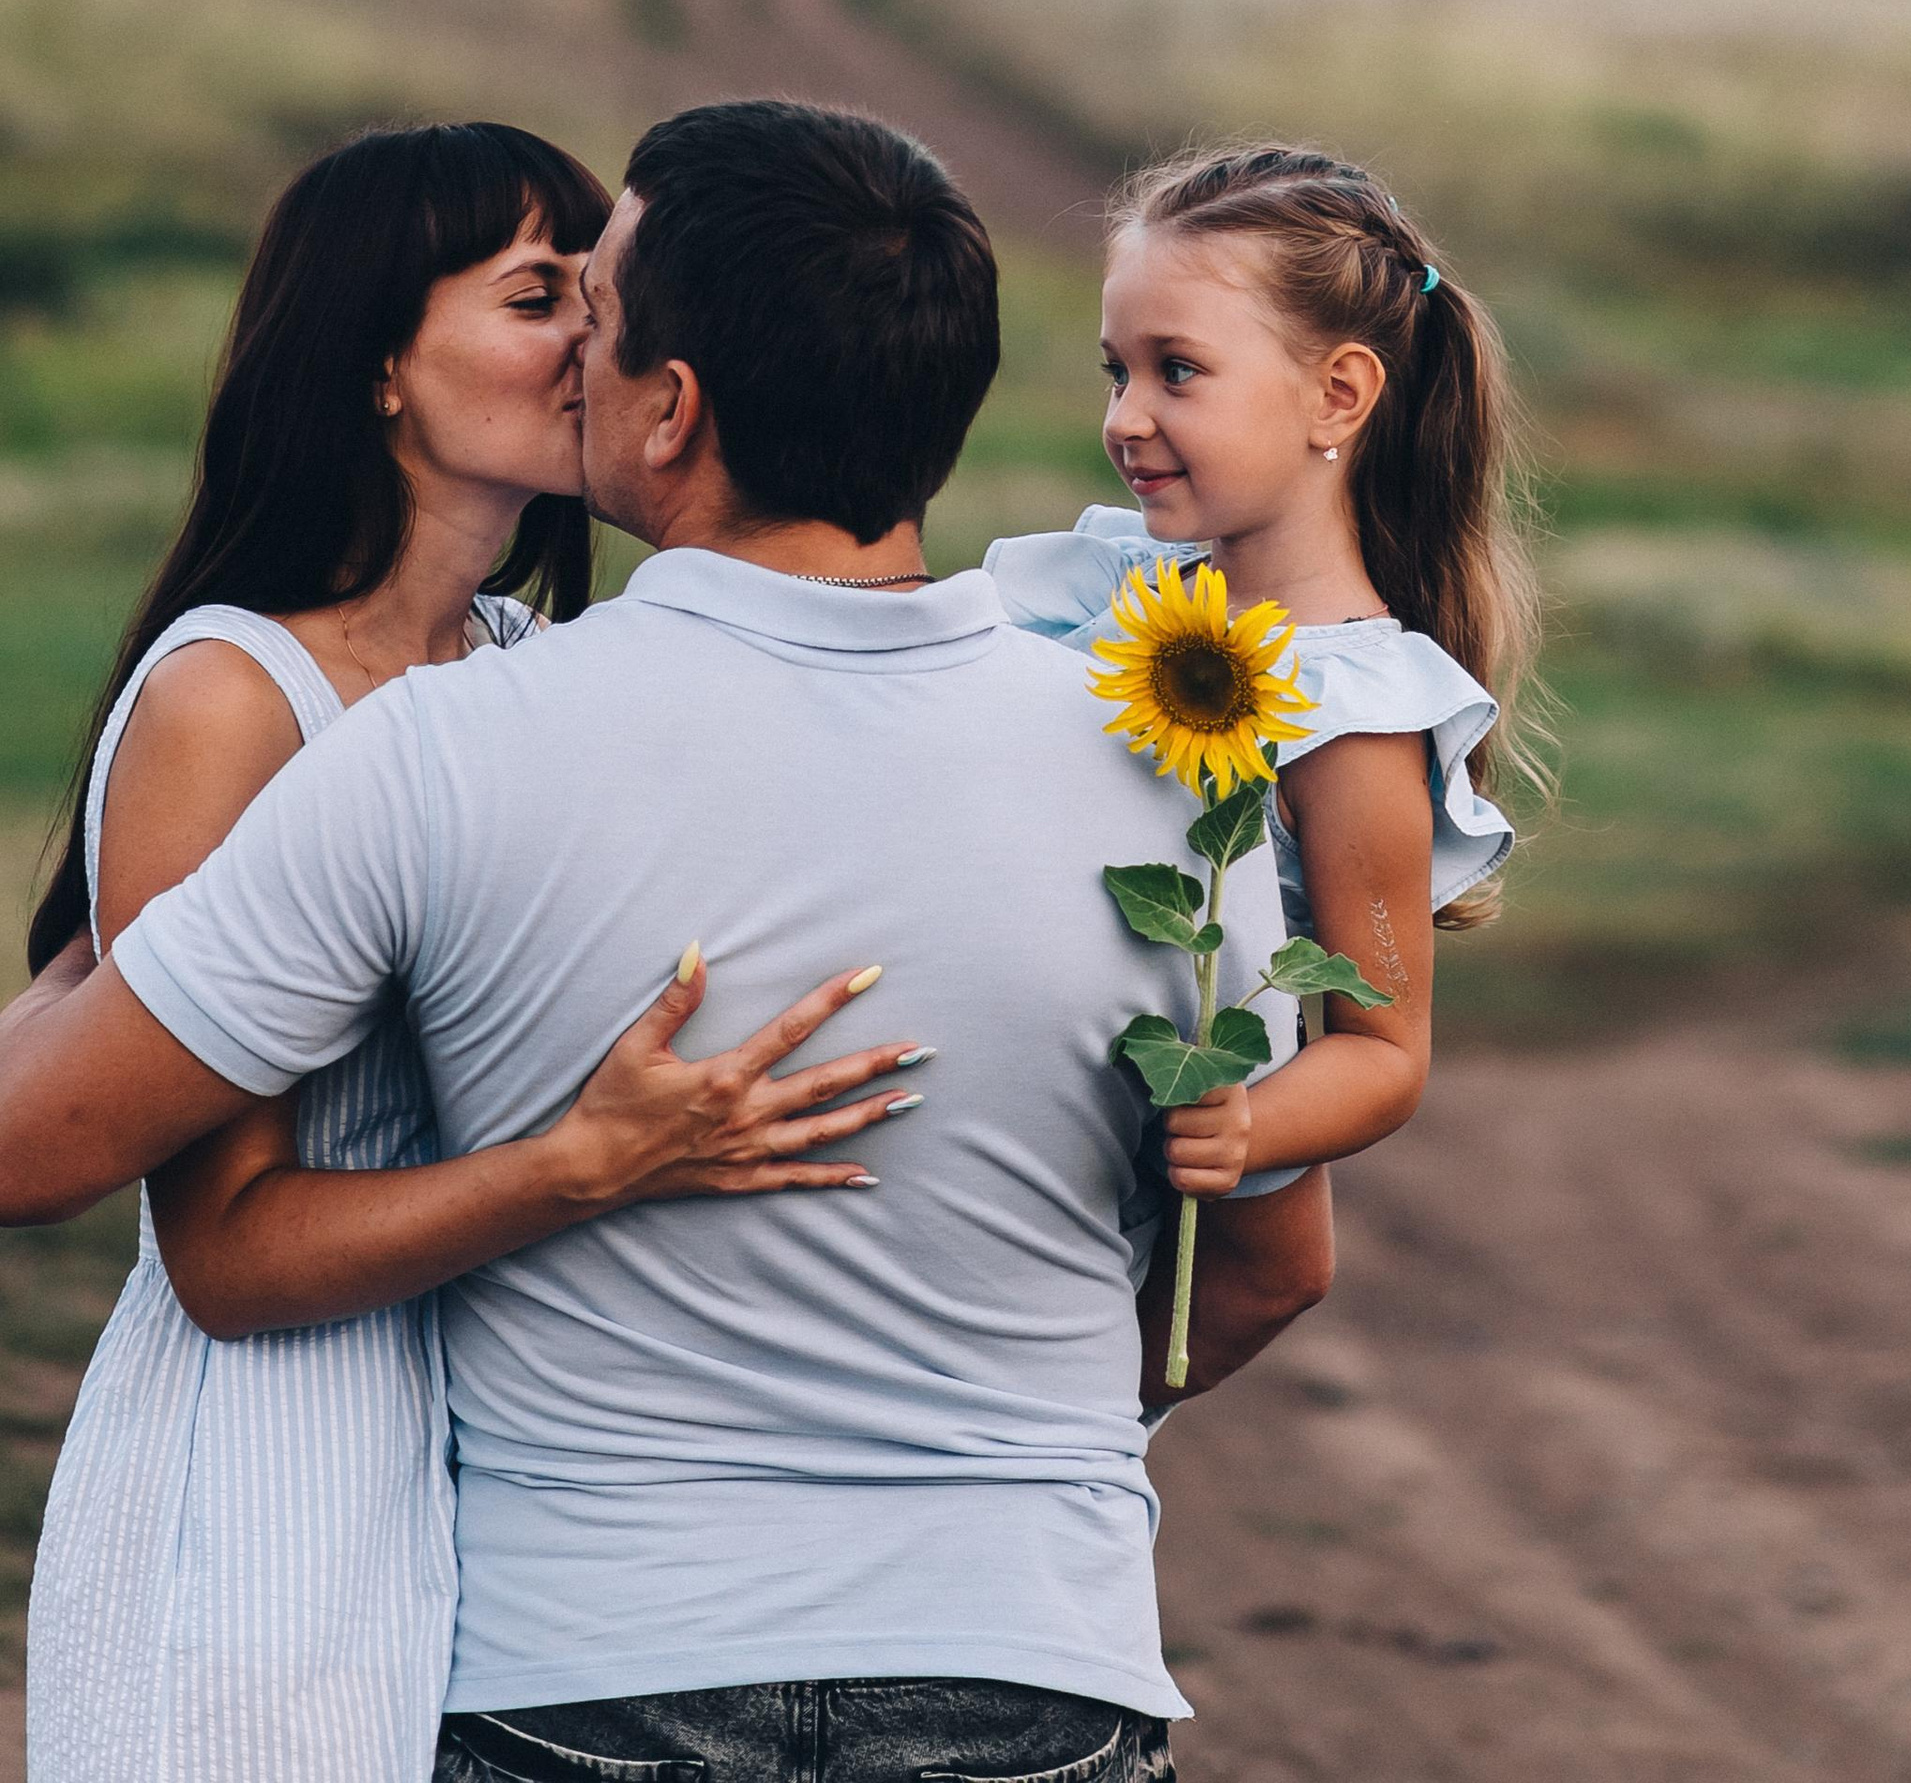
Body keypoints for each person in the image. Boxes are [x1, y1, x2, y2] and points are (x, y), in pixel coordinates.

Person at [0, 100, 1331, 1783]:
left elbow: (44, 1141)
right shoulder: (1177, 778)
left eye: (599, 318)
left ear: (674, 407)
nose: (576, 361)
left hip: (593, 1674)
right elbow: (1277, 1260)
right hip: (1029, 1661)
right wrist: (1005, 1452)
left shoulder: (447, 741)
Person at [15, 122, 921, 1783]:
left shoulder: (524, 664)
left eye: (600, 292)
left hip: (494, 1477)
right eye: (534, 296)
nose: (594, 338)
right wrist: (582, 1164)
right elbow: (202, 1229)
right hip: (279, 1474)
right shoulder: (234, 697)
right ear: (377, 367)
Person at [986, 143, 1545, 1203]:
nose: (1125, 416)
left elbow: (1383, 1049)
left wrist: (1246, 1121)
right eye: (1117, 369)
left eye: (1176, 370)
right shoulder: (1113, 581)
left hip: (1123, 1158)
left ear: (1337, 394)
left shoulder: (1351, 715)